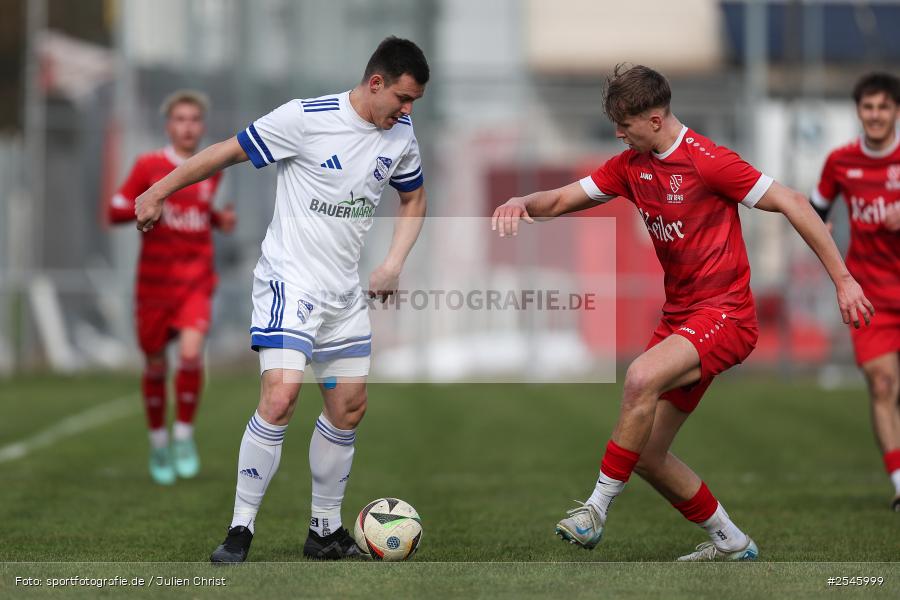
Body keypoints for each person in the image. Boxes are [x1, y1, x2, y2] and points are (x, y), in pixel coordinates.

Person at [492, 64, 873, 561]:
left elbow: (794, 202)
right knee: (648, 454)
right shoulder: (630, 165)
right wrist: (522, 202)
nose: (618, 134)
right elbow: (564, 199)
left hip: (727, 316)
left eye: (624, 124)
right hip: (681, 320)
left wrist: (843, 280)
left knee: (639, 377)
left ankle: (595, 510)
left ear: (654, 120)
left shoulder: (709, 162)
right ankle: (731, 542)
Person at [134, 37, 429, 562]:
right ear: (375, 83)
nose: (407, 111)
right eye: (403, 99)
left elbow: (414, 197)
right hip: (289, 282)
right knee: (281, 396)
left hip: (343, 293)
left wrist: (392, 264)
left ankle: (324, 531)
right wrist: (159, 190)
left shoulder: (401, 134)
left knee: (349, 408)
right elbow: (226, 151)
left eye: (414, 103)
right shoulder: (304, 118)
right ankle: (240, 529)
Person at [108, 90, 237, 485]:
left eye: (194, 120)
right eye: (180, 119)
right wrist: (146, 205)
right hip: (154, 286)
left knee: (191, 354)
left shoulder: (212, 168)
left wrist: (217, 220)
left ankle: (182, 436)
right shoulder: (148, 165)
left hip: (196, 280)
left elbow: (204, 212)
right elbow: (115, 209)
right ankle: (158, 442)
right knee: (155, 365)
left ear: (202, 125)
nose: (188, 127)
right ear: (168, 125)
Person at [811, 72, 900, 511]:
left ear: (896, 111)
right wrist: (820, 228)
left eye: (884, 106)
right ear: (858, 111)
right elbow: (815, 208)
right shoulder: (840, 161)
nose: (876, 115)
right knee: (882, 385)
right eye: (868, 107)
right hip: (872, 297)